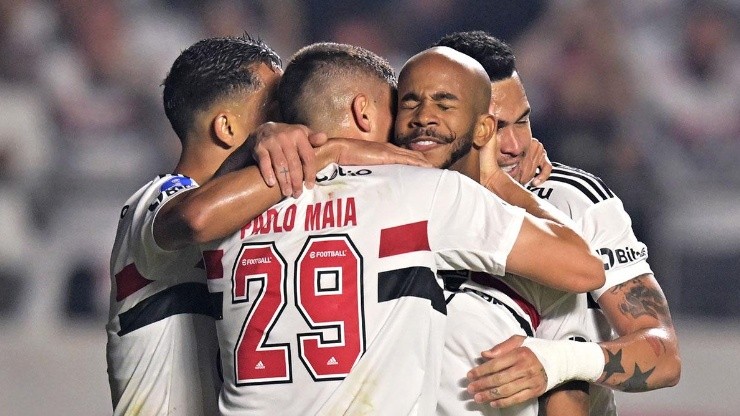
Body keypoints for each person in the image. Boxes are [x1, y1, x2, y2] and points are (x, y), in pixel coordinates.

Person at [200, 41, 605, 415]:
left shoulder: (232, 204)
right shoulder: (420, 193)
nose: (417, 120)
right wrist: (495, 178)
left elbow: (186, 218)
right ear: (364, 111)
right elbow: (584, 267)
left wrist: (255, 145)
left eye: (441, 104)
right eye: (402, 104)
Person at [107, 33, 433, 416]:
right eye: (274, 108)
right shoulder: (157, 200)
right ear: (226, 128)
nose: (293, 119)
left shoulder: (273, 211)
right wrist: (330, 149)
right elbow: (195, 220)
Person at [433, 31, 680, 414]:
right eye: (496, 127)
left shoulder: (574, 200)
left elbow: (664, 355)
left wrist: (558, 362)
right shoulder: (408, 194)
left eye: (523, 121)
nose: (515, 145)